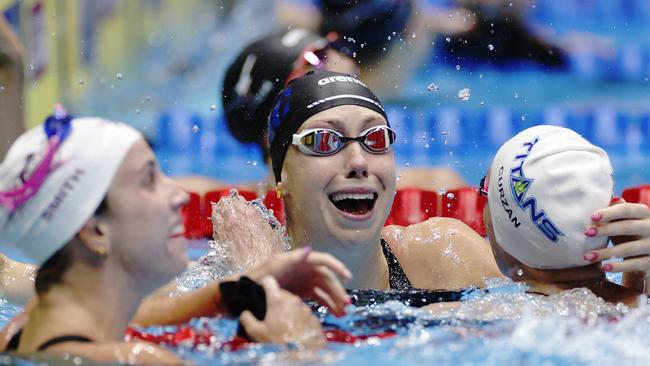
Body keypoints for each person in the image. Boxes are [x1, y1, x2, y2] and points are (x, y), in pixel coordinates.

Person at [0, 111, 351, 362]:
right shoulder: (137, 360)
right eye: (149, 179)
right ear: (94, 231)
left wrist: (231, 291)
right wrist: (300, 349)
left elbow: (140, 315)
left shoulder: (25, 326)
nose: (179, 195)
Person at [265, 70, 501, 290]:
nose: (358, 162)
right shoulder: (251, 278)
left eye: (375, 138)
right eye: (324, 140)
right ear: (281, 177)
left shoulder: (446, 256)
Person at [481, 125, 644, 305]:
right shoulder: (640, 312)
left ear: (508, 228)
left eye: (485, 189)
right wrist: (637, 272)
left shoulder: (487, 314)